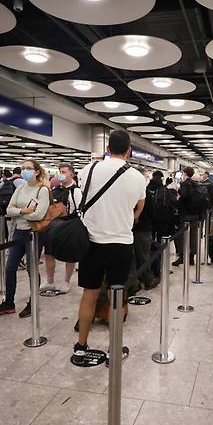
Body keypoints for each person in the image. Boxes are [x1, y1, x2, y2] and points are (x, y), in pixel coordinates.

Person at [72, 130, 145, 366]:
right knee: (116, 296)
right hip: (121, 243)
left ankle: (81, 345)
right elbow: (138, 207)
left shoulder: (88, 169)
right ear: (129, 150)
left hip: (91, 242)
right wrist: (127, 218)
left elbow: (83, 197)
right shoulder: (136, 177)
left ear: (108, 148)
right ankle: (114, 349)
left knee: (89, 294)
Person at [0, 159, 50, 318]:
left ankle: (33, 301)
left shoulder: (42, 190)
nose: (25, 171)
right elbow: (8, 210)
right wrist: (24, 211)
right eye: (23, 168)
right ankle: (9, 303)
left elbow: (39, 214)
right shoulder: (21, 188)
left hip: (34, 234)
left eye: (29, 168)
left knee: (32, 268)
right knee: (10, 268)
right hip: (18, 233)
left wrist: (19, 210)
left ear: (37, 171)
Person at [40, 163, 82, 295]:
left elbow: (79, 209)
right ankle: (50, 280)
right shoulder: (55, 189)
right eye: (59, 171)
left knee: (69, 254)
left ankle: (66, 281)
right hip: (53, 225)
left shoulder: (76, 191)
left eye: (64, 171)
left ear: (71, 174)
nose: (60, 174)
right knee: (49, 253)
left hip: (69, 225)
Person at [174, 166, 207, 266]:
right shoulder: (196, 184)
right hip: (195, 214)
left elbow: (184, 197)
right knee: (193, 236)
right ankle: (192, 257)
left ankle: (182, 257)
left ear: (185, 173)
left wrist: (177, 203)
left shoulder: (184, 184)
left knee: (182, 237)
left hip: (186, 214)